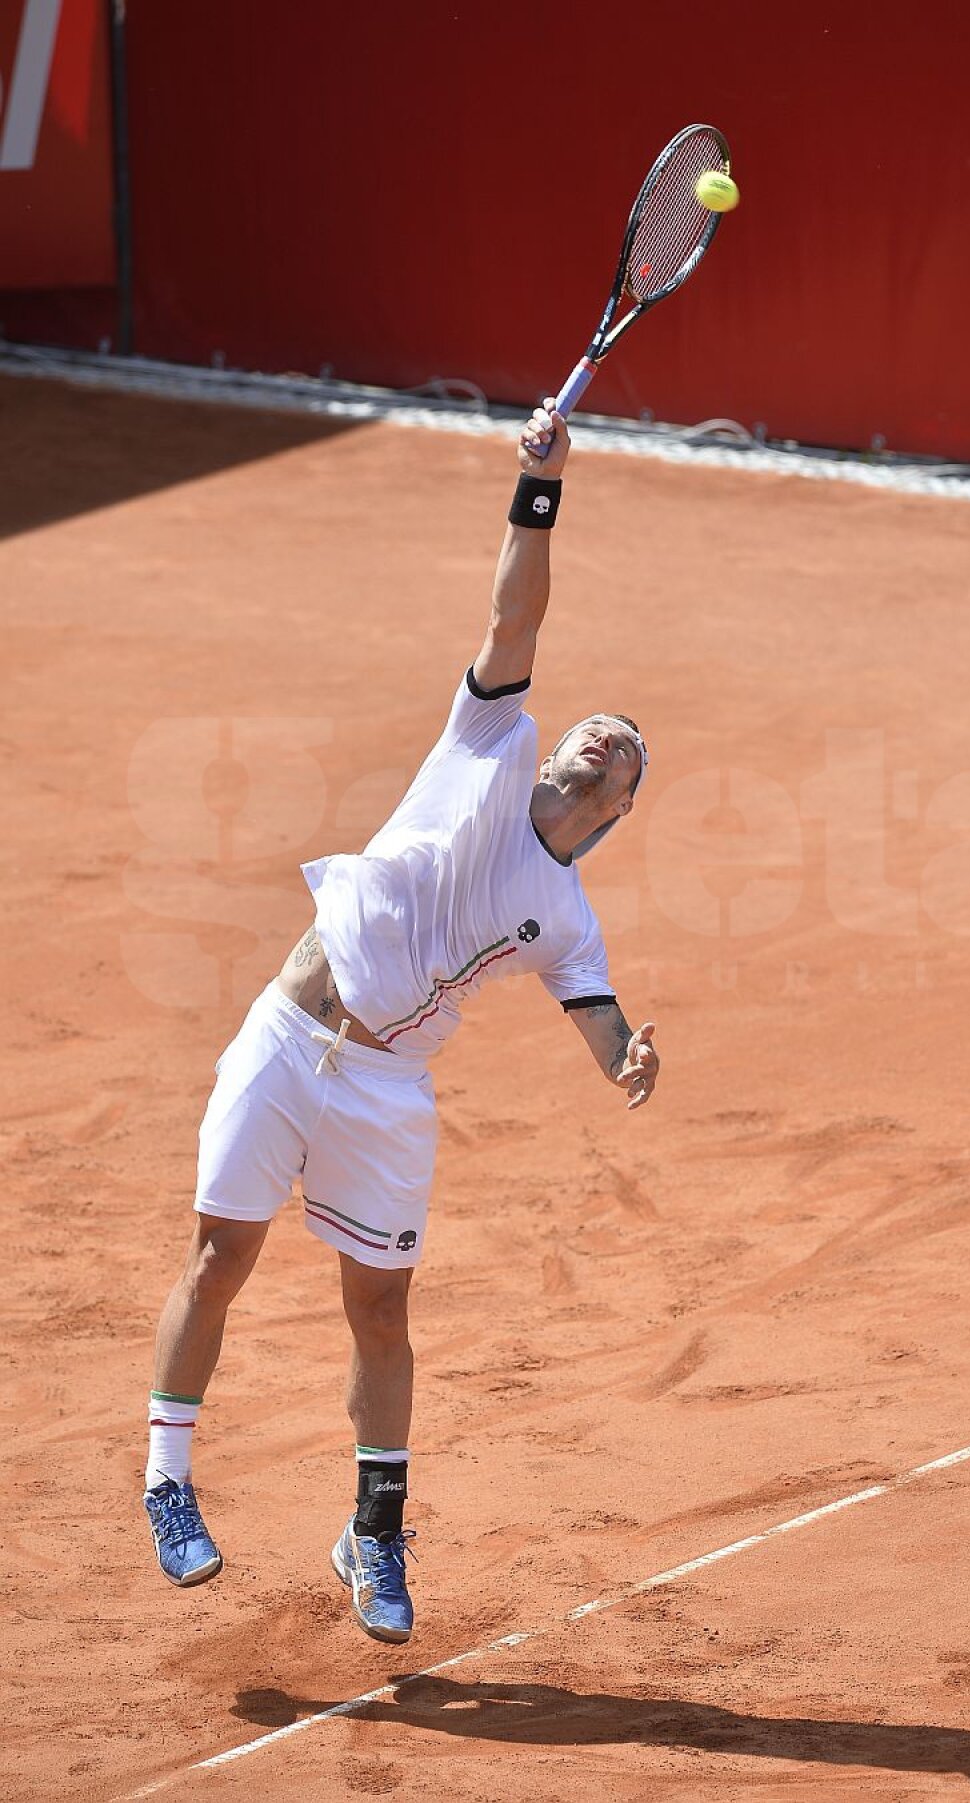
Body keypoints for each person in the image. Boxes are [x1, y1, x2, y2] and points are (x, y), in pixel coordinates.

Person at [143, 401, 660, 1644]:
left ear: (618, 807)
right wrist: (540, 484)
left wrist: (628, 1053)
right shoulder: (489, 740)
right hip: (286, 1034)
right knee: (222, 1254)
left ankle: (373, 1532)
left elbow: (598, 1027)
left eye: (625, 755)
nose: (600, 739)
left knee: (381, 1312)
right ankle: (168, 1481)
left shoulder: (569, 922)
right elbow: (514, 617)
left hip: (386, 1093)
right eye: (596, 729)